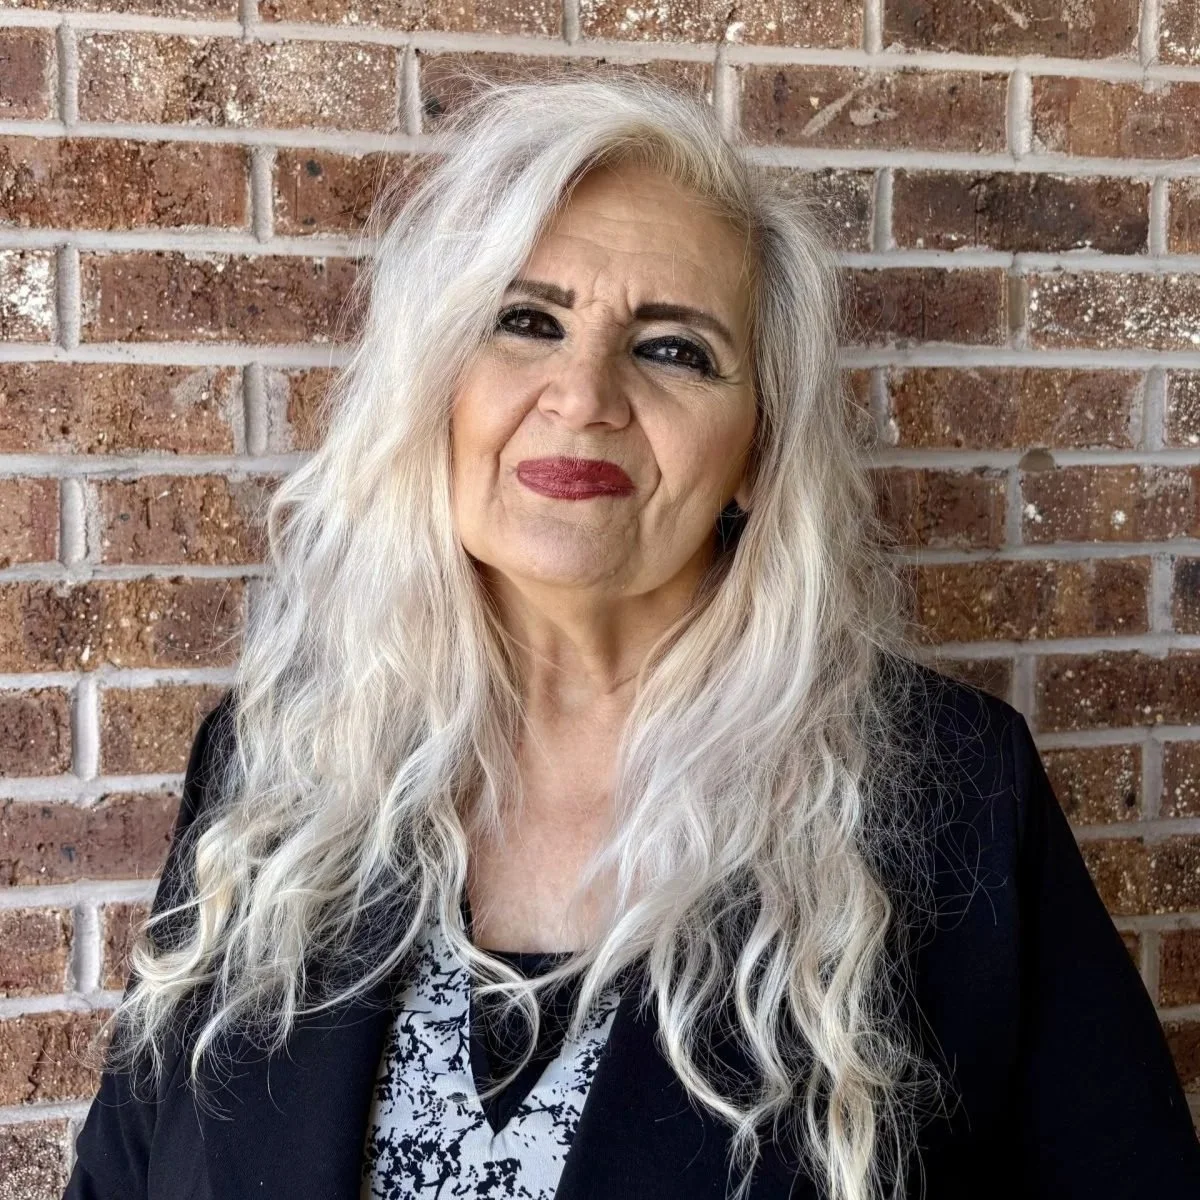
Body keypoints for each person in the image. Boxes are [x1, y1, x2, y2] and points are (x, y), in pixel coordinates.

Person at [65, 70, 1199, 1200]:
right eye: (525, 322)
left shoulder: (946, 794)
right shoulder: (279, 761)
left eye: (672, 349)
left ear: (758, 445)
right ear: (433, 385)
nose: (583, 395)